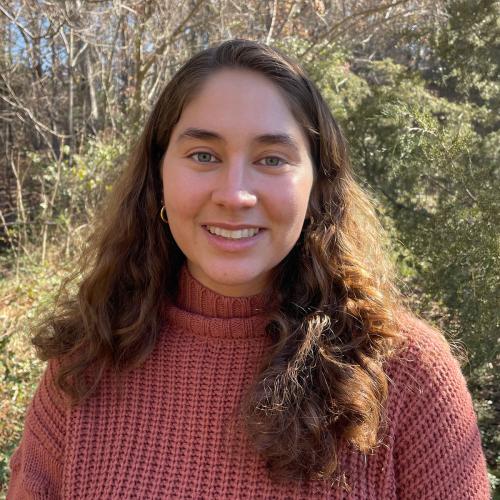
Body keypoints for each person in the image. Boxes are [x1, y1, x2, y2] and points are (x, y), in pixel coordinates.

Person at [7, 39, 490, 499]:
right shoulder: (82, 366)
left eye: (271, 158)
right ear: (158, 175)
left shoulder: (408, 377)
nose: (235, 194)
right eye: (203, 155)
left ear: (317, 187)